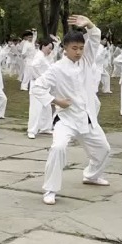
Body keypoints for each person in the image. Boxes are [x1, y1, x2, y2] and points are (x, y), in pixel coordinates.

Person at [31, 15, 110, 205]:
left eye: (81, 48)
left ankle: (91, 175)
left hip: (87, 117)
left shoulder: (86, 61)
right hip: (66, 119)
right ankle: (50, 189)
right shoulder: (56, 69)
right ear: (65, 49)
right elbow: (37, 87)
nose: (78, 52)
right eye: (74, 48)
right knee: (58, 148)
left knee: (104, 150)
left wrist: (89, 24)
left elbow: (95, 37)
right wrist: (56, 100)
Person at [27, 38, 55, 139]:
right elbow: (33, 66)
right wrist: (39, 78)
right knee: (36, 109)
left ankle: (45, 127)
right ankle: (31, 130)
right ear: (43, 46)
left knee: (46, 107)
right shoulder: (39, 56)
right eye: (49, 48)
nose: (50, 50)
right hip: (37, 86)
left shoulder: (43, 56)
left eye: (51, 48)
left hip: (44, 87)